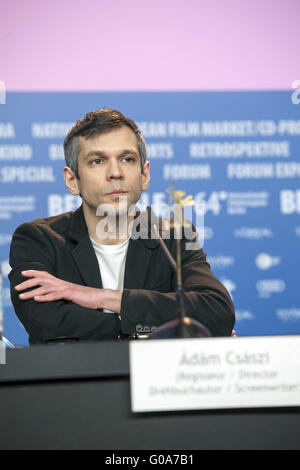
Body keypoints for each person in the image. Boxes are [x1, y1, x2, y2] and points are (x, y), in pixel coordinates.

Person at [9, 108, 235, 344]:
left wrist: (100, 298)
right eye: (97, 161)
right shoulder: (38, 239)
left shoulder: (175, 237)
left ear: (144, 174)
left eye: (127, 159)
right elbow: (47, 325)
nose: (115, 173)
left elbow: (217, 312)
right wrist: (155, 330)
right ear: (72, 180)